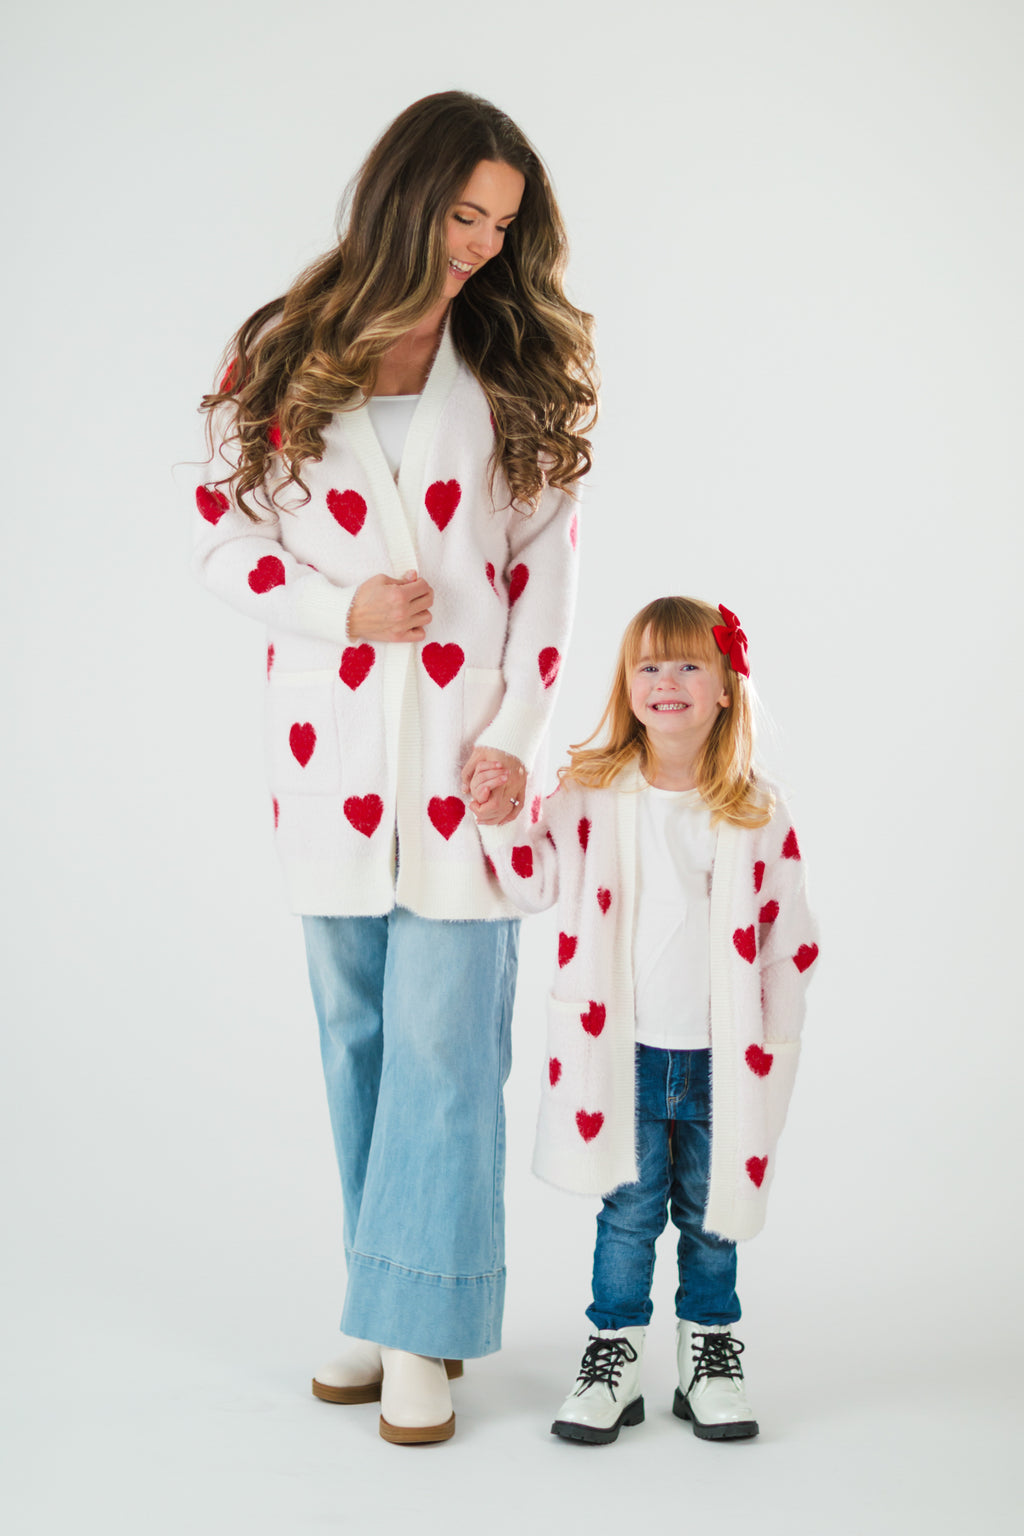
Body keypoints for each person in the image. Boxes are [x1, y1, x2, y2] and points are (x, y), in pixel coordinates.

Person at [191, 91, 596, 1445]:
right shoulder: (284, 351)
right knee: (357, 1031)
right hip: (334, 755)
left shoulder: (512, 369)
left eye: (503, 223)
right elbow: (223, 542)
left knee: (443, 1041)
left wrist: (515, 745)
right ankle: (383, 1297)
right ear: (407, 196)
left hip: (465, 766)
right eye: (467, 212)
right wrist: (338, 612)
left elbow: (548, 573)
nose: (483, 244)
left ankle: (419, 1328)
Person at [469, 595, 818, 1444]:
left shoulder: (756, 812)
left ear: (727, 687)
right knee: (627, 1216)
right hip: (619, 1054)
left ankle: (709, 1354)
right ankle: (613, 1354)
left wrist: (771, 1048)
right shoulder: (591, 794)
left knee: (710, 1215)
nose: (667, 682)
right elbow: (536, 878)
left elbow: (789, 943)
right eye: (648, 665)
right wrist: (499, 817)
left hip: (719, 1062)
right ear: (627, 686)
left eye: (689, 664)